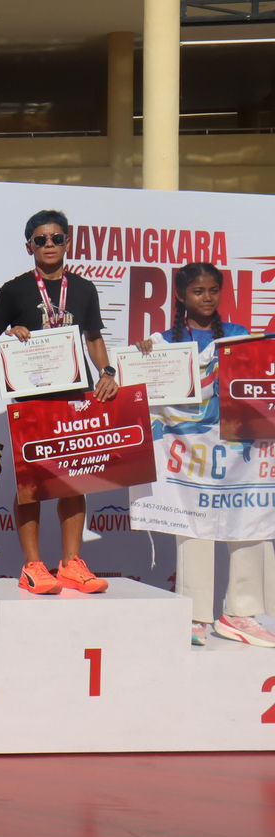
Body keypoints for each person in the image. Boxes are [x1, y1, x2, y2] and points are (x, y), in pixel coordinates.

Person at [135, 263, 274, 648]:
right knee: (193, 524)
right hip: (190, 454)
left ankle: (241, 614)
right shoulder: (163, 343)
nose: (207, 298)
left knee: (249, 521)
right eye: (198, 291)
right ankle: (195, 616)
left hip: (239, 456)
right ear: (181, 296)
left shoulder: (239, 336)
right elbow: (144, 392)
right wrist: (144, 357)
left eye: (214, 290)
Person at [0, 208, 118, 595]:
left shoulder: (85, 288)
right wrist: (9, 336)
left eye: (56, 238)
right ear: (29, 247)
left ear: (67, 242)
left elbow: (94, 338)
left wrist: (107, 372)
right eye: (40, 240)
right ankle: (32, 566)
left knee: (75, 480)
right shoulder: (14, 290)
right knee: (32, 484)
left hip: (75, 396)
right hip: (32, 398)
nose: (49, 245)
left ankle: (71, 563)